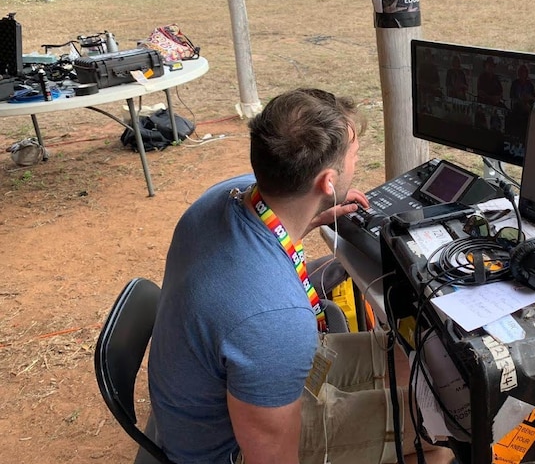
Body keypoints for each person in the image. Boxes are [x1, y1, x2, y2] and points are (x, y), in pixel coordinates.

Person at [148, 88, 452, 464]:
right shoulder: (276, 318)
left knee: (412, 359)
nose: (357, 164)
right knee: (442, 425)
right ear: (327, 182)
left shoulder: (226, 195)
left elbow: (273, 233)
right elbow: (272, 458)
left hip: (216, 394)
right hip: (227, 450)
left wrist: (314, 217)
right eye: (354, 157)